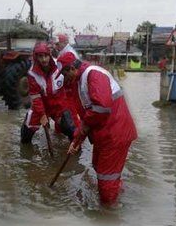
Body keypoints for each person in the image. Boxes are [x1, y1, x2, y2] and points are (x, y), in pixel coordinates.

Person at [58, 52, 137, 208]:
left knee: (106, 186)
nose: (64, 79)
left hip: (115, 134)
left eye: (64, 74)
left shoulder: (94, 75)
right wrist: (76, 141)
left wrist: (81, 131)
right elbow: (86, 119)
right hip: (104, 133)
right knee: (98, 167)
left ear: (71, 68)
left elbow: (101, 107)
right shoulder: (80, 81)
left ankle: (109, 214)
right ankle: (118, 190)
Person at [21, 42, 80, 144]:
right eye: (40, 56)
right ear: (36, 57)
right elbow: (36, 98)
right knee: (26, 135)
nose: (44, 59)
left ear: (50, 55)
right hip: (41, 106)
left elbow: (71, 82)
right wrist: (42, 115)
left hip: (59, 105)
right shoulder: (32, 74)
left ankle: (75, 150)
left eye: (46, 56)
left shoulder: (59, 67)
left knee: (70, 129)